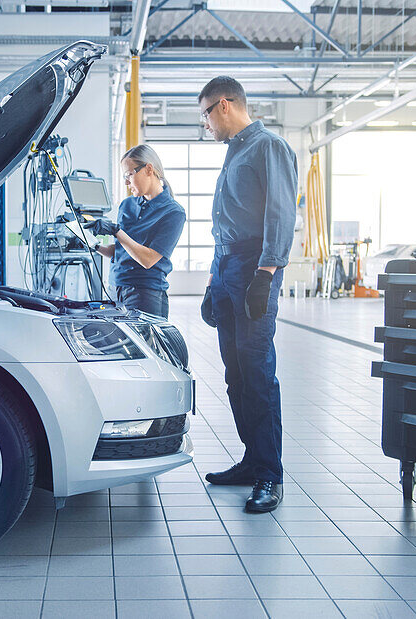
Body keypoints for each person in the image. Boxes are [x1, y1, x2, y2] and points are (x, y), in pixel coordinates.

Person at [197, 76, 297, 513]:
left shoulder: (267, 147)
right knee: (234, 374)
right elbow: (226, 223)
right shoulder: (235, 151)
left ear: (223, 105)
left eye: (204, 115)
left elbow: (280, 213)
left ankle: (270, 476)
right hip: (225, 267)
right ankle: (251, 460)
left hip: (253, 266)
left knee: (257, 374)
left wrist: (266, 274)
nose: (204, 125)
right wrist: (211, 282)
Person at [83, 144, 185, 318]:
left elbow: (148, 259)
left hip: (145, 293)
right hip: (116, 288)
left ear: (148, 169)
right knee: (113, 344)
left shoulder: (173, 212)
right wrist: (92, 244)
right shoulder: (127, 205)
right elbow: (121, 251)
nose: (126, 182)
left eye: (129, 174)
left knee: (143, 345)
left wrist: (116, 231)